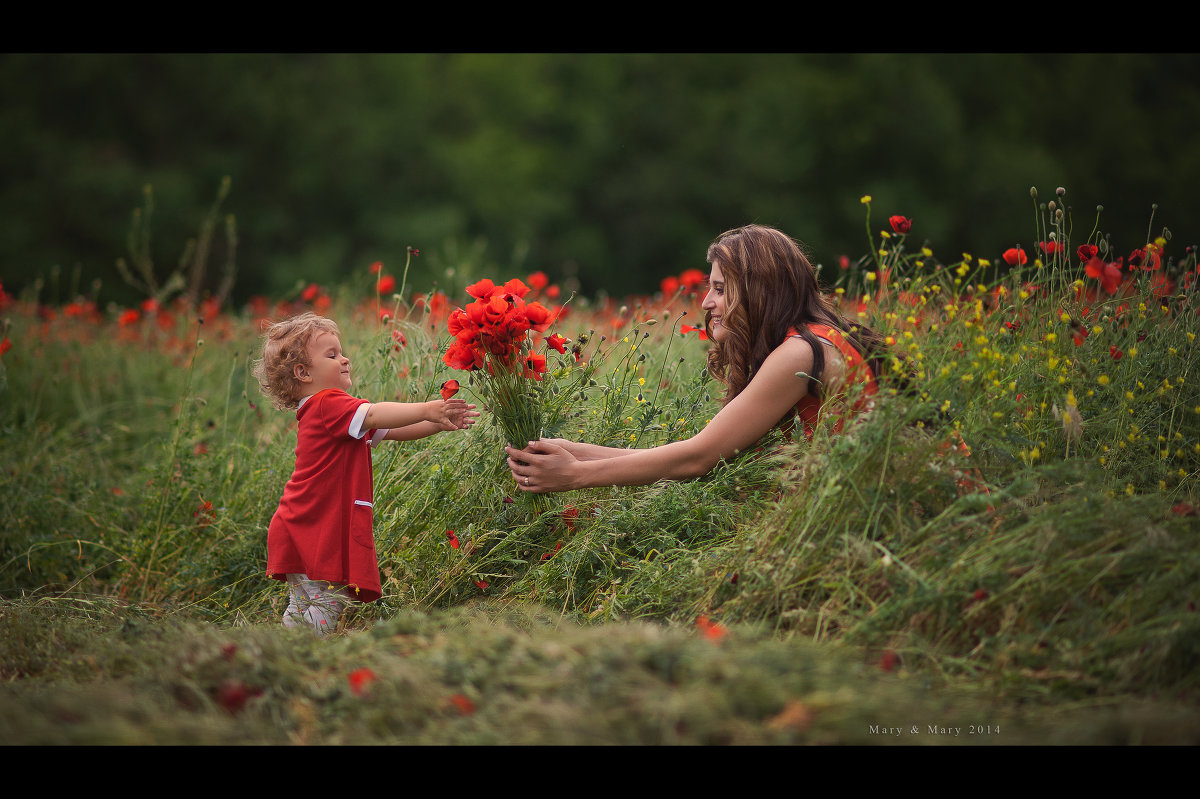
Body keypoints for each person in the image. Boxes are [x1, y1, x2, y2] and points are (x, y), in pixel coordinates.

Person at [505, 224, 885, 493]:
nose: (706, 303)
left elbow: (698, 458)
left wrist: (574, 476)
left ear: (758, 292)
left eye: (720, 289)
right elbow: (695, 453)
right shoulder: (809, 341)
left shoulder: (800, 353)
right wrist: (571, 452)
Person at [253, 312, 478, 636]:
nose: (344, 360)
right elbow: (373, 413)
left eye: (341, 352)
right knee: (329, 603)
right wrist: (428, 408)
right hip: (311, 529)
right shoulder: (328, 404)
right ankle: (301, 651)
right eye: (331, 355)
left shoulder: (330, 414)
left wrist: (438, 424)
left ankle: (284, 646)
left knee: (304, 604)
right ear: (303, 372)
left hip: (299, 523)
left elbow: (390, 428)